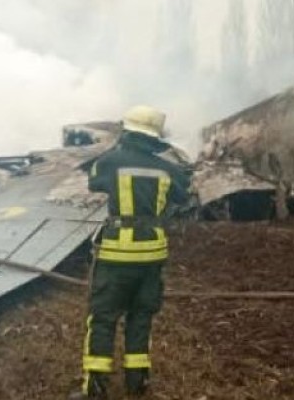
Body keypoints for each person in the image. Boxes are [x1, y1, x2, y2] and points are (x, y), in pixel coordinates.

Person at [71, 105, 191, 399]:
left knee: (103, 318)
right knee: (141, 318)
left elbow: (94, 182)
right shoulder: (170, 169)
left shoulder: (110, 161)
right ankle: (137, 383)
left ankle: (95, 388)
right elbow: (183, 194)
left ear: (127, 131)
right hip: (152, 255)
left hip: (117, 255)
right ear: (155, 137)